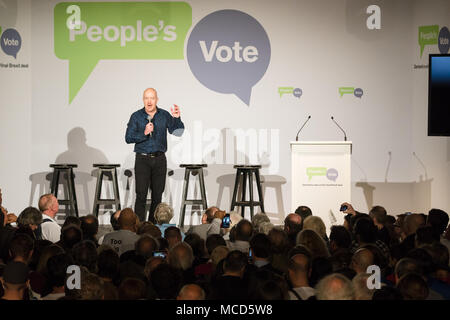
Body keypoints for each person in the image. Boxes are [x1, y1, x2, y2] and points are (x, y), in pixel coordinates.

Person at [125, 88, 185, 223]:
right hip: (142, 159)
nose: (149, 101)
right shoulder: (136, 116)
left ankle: (153, 226)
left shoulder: (164, 115)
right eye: (146, 98)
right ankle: (139, 226)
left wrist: (177, 119)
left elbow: (177, 132)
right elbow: (128, 138)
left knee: (157, 196)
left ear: (157, 99)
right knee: (141, 195)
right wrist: (144, 133)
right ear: (143, 100)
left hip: (159, 159)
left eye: (152, 98)